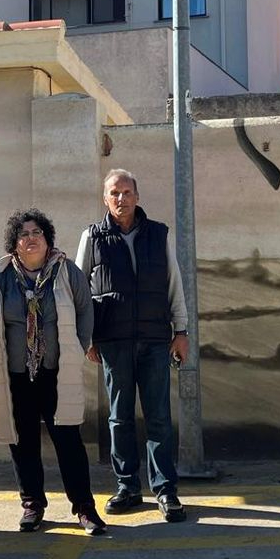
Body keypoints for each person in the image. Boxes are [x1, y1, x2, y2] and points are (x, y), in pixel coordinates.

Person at [0, 209, 107, 535]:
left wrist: (79, 346)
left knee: (68, 440)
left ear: (47, 240)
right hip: (16, 373)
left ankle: (84, 508)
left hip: (57, 373)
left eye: (37, 233)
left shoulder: (67, 272)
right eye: (24, 234)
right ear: (14, 244)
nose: (30, 239)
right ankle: (32, 505)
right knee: (23, 442)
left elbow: (85, 309)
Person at [75, 169, 190, 523]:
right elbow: (80, 292)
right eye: (114, 193)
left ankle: (165, 490)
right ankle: (127, 487)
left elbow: (174, 284)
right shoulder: (92, 237)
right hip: (113, 342)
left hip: (156, 340)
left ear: (137, 196)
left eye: (127, 192)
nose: (121, 199)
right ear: (104, 199)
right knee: (119, 418)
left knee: (159, 417)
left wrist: (181, 331)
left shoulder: (158, 234)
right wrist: (87, 338)